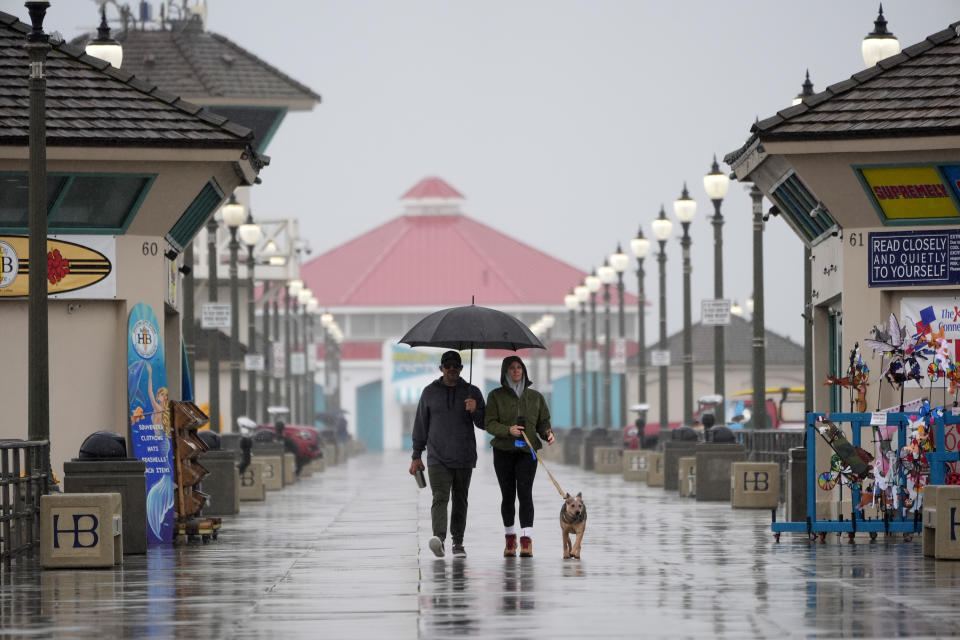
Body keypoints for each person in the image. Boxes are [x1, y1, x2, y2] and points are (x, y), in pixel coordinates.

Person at [409, 350, 485, 559]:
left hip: (464, 456)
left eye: (455, 365)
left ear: (461, 369)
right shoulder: (429, 392)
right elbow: (420, 425)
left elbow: (484, 423)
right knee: (440, 497)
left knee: (460, 499)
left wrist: (475, 410)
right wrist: (416, 456)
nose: (452, 368)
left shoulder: (473, 392)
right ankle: (439, 539)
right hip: (437, 458)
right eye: (447, 365)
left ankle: (458, 542)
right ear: (441, 368)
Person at [484, 355, 554, 558]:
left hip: (527, 452)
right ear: (505, 372)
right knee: (507, 496)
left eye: (519, 367)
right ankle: (509, 539)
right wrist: (508, 430)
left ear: (523, 370)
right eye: (511, 368)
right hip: (503, 452)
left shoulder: (535, 397)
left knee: (525, 494)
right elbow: (489, 423)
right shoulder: (495, 396)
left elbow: (543, 422)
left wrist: (547, 433)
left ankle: (526, 541)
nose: (516, 371)